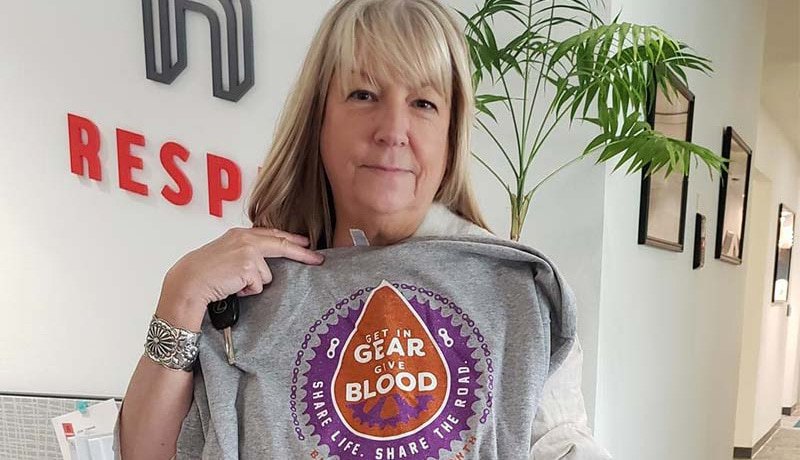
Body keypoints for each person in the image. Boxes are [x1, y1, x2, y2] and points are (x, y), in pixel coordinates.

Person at [114, 0, 611, 458]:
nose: (393, 130)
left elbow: (561, 443)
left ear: (450, 133)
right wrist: (180, 298)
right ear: (319, 118)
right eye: (364, 93)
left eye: (424, 103)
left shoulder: (515, 291)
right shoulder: (245, 292)